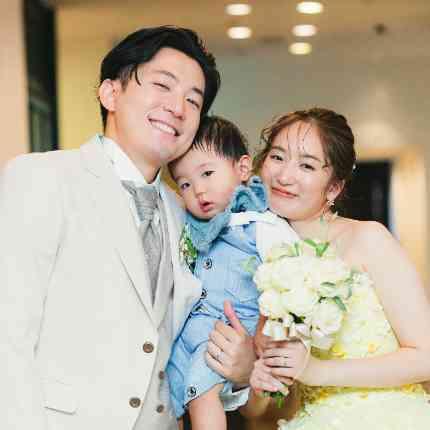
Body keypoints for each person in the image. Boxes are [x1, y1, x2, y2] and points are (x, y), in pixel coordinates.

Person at [0, 26, 226, 430]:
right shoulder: (42, 178)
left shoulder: (184, 212)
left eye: (193, 101)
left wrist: (238, 370)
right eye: (162, 85)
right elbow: (7, 338)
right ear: (110, 93)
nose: (178, 107)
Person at [242, 107, 430, 428]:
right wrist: (257, 385)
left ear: (333, 188)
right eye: (277, 157)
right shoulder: (256, 259)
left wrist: (316, 371)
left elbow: (426, 357)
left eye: (306, 165)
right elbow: (255, 410)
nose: (284, 176)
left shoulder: (368, 239)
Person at [166, 115, 300, 430]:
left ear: (242, 169)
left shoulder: (262, 226)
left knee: (201, 393)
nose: (198, 190)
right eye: (185, 184)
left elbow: (291, 278)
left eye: (207, 173)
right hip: (189, 333)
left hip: (227, 333)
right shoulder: (193, 229)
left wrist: (266, 334)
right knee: (170, 393)